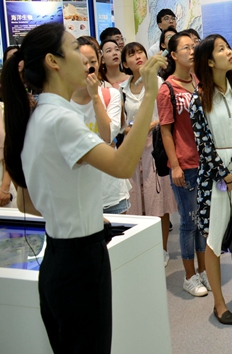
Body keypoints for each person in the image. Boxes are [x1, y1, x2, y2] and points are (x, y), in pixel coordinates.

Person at [1, 22, 165, 353]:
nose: (86, 57)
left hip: (59, 261)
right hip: (80, 266)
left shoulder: (41, 117)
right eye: (75, 48)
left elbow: (29, 205)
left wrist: (82, 212)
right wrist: (150, 93)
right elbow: (122, 165)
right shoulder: (61, 120)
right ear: (53, 61)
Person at [189, 35, 232, 325]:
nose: (229, 52)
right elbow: (204, 146)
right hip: (215, 179)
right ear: (208, 61)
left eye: (228, 47)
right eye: (221, 49)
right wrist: (226, 175)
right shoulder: (198, 99)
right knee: (214, 240)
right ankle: (219, 302)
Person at [157, 32, 209, 297]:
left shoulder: (199, 82)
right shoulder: (167, 89)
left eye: (193, 46)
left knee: (203, 221)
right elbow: (166, 131)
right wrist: (175, 166)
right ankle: (189, 276)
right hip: (184, 164)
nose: (192, 51)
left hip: (205, 163)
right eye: (186, 48)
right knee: (189, 222)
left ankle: (203, 270)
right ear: (174, 55)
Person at [119, 42, 176, 265]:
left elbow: (165, 114)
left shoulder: (158, 82)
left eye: (140, 52)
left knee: (157, 199)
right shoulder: (122, 89)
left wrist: (149, 125)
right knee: (135, 199)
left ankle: (162, 249)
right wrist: (128, 130)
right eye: (131, 54)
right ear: (125, 63)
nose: (138, 56)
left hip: (155, 145)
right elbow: (120, 122)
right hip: (132, 147)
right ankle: (140, 249)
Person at [73, 37, 131, 216]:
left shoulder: (110, 94)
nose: (88, 68)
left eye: (92, 62)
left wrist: (95, 97)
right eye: (82, 62)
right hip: (77, 192)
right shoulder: (63, 100)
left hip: (110, 190)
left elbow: (107, 136)